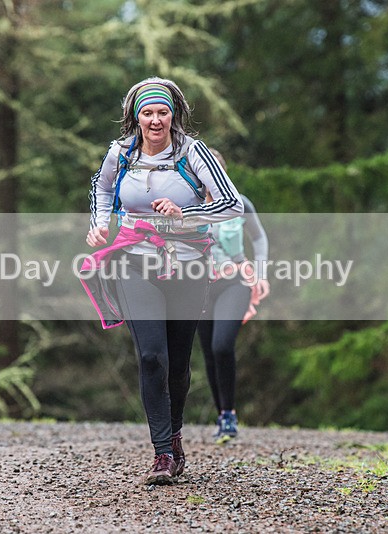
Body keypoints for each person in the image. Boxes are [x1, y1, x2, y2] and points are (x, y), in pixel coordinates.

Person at [85, 77, 243, 485]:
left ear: (174, 115)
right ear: (135, 117)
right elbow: (101, 190)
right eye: (148, 112)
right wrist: (101, 225)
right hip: (133, 261)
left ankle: (174, 437)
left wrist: (183, 214)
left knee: (177, 363)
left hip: (188, 264)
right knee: (152, 356)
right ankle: (161, 454)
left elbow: (231, 205)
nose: (156, 120)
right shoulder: (119, 154)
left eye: (163, 112)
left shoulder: (193, 152)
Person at [197, 148, 270, 444]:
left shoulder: (240, 204)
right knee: (208, 352)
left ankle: (229, 413)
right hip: (197, 285)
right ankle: (222, 415)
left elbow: (259, 237)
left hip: (235, 282)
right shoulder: (188, 205)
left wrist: (261, 272)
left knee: (222, 345)